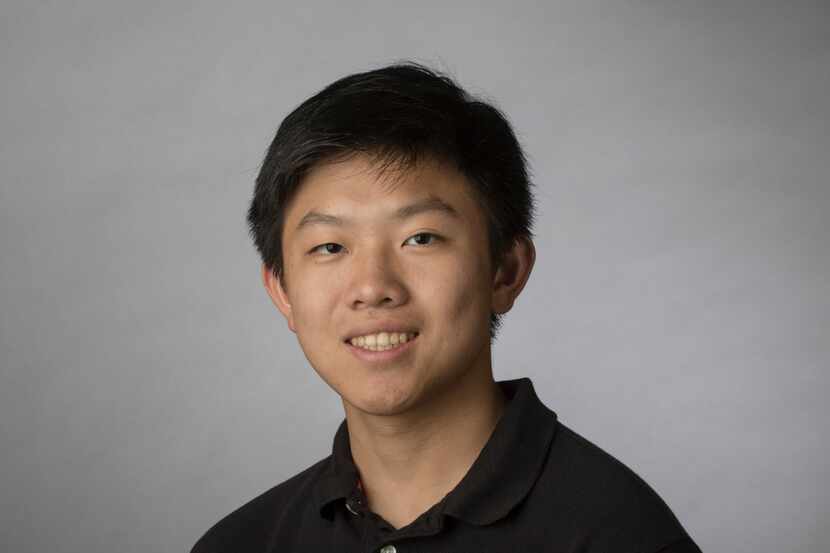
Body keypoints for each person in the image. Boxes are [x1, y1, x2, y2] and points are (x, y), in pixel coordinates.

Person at [191, 62, 701, 553]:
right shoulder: (241, 543)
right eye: (330, 247)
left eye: (421, 237)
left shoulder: (622, 536)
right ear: (282, 291)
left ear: (505, 271)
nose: (373, 287)